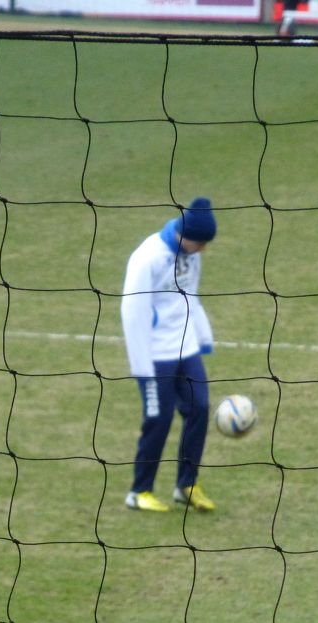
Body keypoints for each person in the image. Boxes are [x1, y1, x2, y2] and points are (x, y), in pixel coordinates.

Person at [121, 197, 219, 513]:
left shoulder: (193, 255)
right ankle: (139, 492)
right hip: (154, 355)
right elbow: (132, 313)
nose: (203, 249)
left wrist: (201, 336)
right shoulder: (147, 258)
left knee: (200, 408)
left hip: (185, 347)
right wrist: (142, 365)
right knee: (158, 419)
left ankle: (186, 485)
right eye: (201, 242)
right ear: (185, 235)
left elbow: (191, 296)